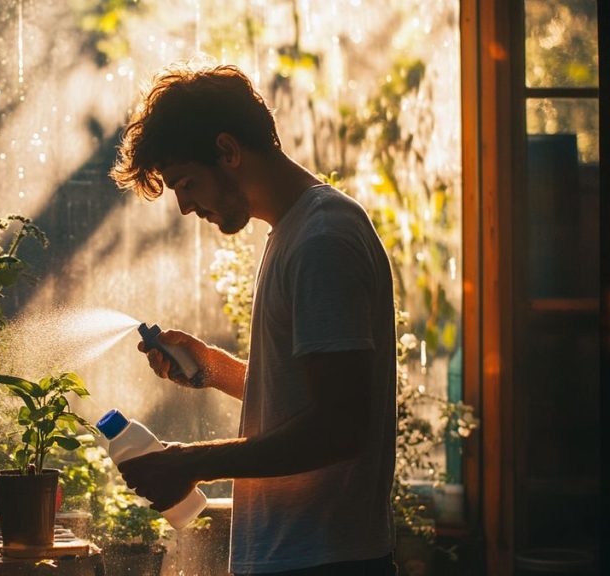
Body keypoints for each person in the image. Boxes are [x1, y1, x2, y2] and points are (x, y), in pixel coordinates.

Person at [109, 64, 398, 576]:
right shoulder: (294, 233)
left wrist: (190, 463)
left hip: (323, 561)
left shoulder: (321, 239)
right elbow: (313, 400)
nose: (184, 206)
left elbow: (341, 427)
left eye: (186, 182)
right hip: (301, 557)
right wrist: (214, 368)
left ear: (228, 150)